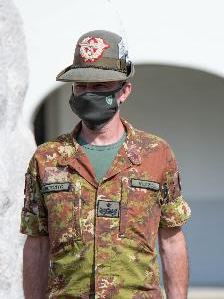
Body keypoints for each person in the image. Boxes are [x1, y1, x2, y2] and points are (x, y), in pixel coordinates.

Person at [20, 30, 191, 298]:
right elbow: (37, 244)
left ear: (124, 91)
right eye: (81, 86)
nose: (88, 94)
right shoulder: (47, 158)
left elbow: (171, 240)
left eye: (100, 86)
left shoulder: (156, 154)